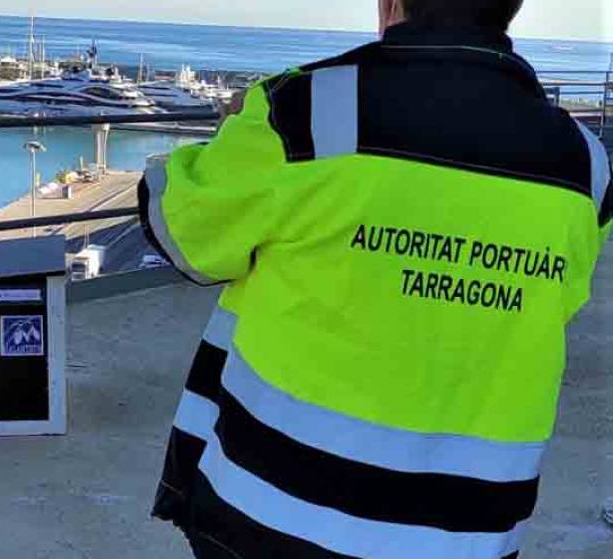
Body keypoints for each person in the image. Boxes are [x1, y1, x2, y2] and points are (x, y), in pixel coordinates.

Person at [139, 0, 612, 558]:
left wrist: (233, 135)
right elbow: (549, 305)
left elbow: (180, 231)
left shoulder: (304, 114)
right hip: (468, 536)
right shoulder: (586, 166)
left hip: (274, 518)